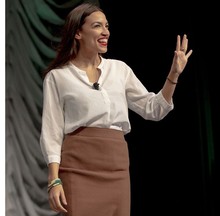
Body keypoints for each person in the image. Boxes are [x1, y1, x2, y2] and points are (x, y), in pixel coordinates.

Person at [39, 2, 193, 216]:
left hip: (116, 166)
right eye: (97, 26)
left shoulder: (119, 70)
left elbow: (153, 109)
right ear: (78, 33)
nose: (105, 32)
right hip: (77, 166)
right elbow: (52, 132)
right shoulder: (58, 77)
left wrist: (174, 75)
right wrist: (54, 180)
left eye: (107, 26)